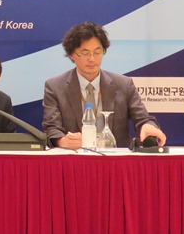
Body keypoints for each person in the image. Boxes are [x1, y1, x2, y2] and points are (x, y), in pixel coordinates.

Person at [42, 21, 167, 149]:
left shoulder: (124, 84)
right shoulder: (55, 87)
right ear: (71, 55)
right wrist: (62, 141)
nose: (92, 59)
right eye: (85, 53)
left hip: (115, 158)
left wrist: (147, 126)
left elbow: (143, 118)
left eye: (97, 52)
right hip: (75, 157)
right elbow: (51, 128)